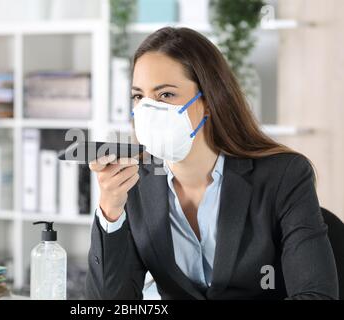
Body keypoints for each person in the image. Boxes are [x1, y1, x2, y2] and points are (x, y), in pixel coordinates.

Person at [85, 27, 338, 300]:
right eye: (138, 96)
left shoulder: (284, 175)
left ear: (208, 102)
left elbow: (316, 295)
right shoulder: (133, 184)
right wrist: (110, 211)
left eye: (166, 95)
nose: (148, 109)